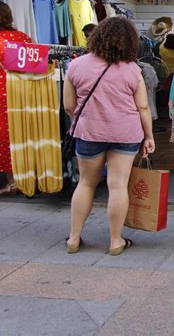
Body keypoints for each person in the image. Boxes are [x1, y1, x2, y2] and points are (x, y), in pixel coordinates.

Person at [64, 17, 156, 256]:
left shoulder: (76, 65)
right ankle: (115, 241)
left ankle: (74, 238)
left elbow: (68, 106)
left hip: (89, 132)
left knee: (86, 183)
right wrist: (149, 136)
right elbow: (143, 107)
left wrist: (88, 119)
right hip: (126, 132)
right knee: (118, 185)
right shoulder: (132, 69)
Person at [0, 1, 32, 195]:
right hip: (16, 92)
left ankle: (12, 180)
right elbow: (32, 69)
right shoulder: (21, 38)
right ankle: (18, 179)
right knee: (15, 136)